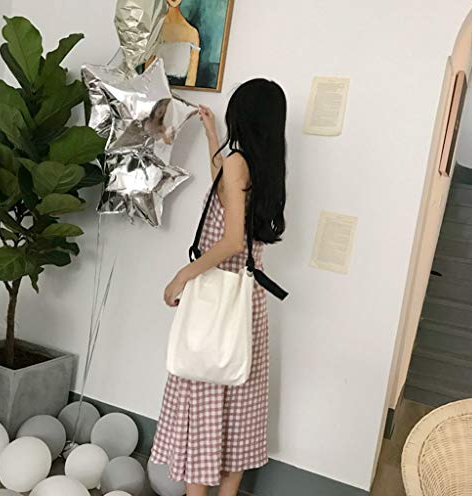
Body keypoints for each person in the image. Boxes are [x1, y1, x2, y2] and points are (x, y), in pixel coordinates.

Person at [149, 79, 287, 496]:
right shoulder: (267, 166)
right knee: (237, 420)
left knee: (203, 413)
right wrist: (211, 135)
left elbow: (230, 241)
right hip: (247, 304)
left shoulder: (238, 163)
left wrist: (183, 274)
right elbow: (225, 193)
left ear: (242, 115)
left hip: (216, 304)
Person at [155, 0, 201, 87]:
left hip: (183, 92)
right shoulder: (156, 29)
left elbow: (191, 79)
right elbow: (148, 73)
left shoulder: (192, 33)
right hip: (155, 89)